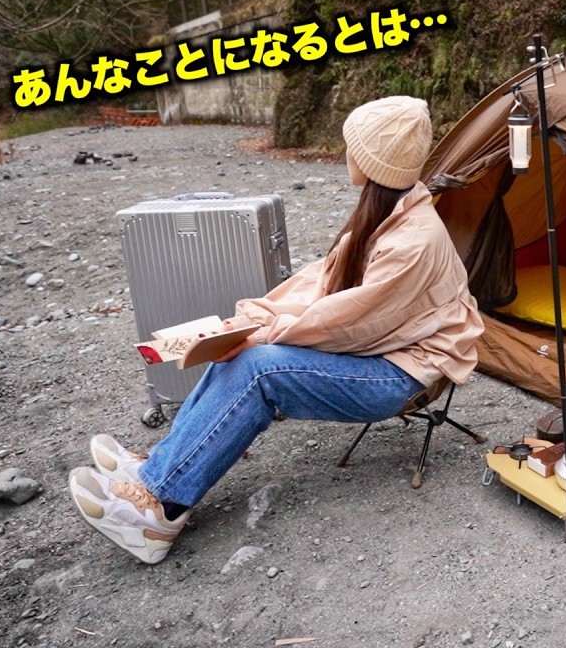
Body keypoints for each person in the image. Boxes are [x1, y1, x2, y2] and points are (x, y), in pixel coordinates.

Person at [68, 96, 485, 564]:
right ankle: (160, 468)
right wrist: (252, 319)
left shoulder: (412, 239)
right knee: (241, 349)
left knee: (259, 368)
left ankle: (158, 511)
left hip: (400, 372)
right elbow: (321, 283)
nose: (347, 155)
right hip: (380, 352)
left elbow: (352, 326)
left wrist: (262, 336)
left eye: (353, 147)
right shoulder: (391, 212)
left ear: (369, 162)